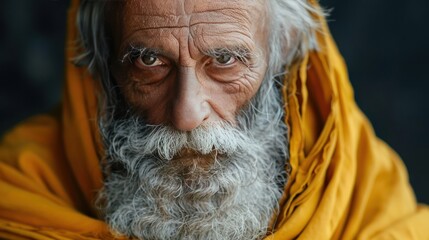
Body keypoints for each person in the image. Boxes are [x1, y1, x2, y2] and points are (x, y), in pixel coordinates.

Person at [0, 0, 428, 239]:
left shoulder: (374, 218)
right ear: (103, 65)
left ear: (287, 52)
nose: (187, 115)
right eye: (149, 61)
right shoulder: (19, 200)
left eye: (224, 60)